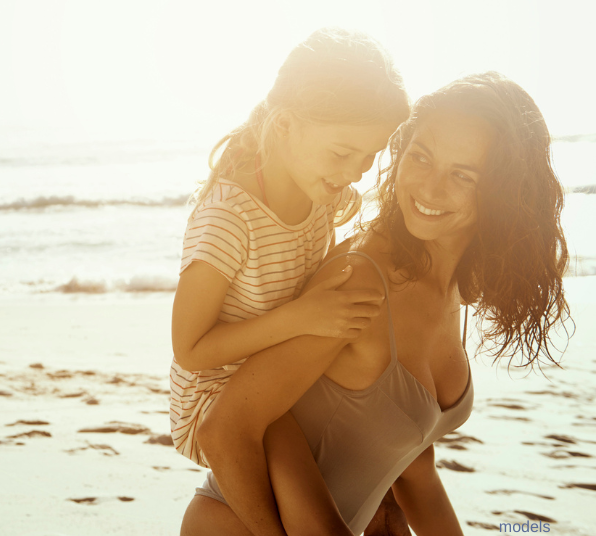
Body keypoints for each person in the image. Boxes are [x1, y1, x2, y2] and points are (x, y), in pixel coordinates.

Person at [182, 71, 571, 536]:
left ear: (504, 193)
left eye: (462, 175)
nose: (429, 188)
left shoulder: (453, 289)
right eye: (421, 156)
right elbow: (224, 428)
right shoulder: (360, 280)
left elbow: (414, 471)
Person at [170, 27, 409, 535]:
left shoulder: (321, 192)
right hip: (218, 394)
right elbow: (189, 349)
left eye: (370, 157)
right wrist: (297, 317)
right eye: (343, 152)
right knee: (277, 431)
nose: (358, 173)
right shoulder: (228, 220)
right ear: (283, 126)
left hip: (277, 365)